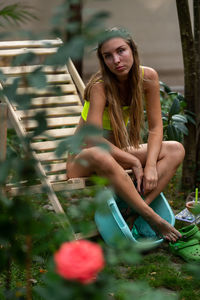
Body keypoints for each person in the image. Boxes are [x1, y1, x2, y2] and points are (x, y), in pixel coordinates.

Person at [66, 27, 185, 242]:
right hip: (84, 158)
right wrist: (134, 162)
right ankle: (150, 217)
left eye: (121, 51)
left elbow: (156, 128)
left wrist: (149, 166)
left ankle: (131, 213)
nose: (116, 60)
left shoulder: (147, 77)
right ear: (103, 60)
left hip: (116, 153)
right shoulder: (100, 87)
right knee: (99, 153)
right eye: (108, 56)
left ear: (133, 50)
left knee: (175, 149)